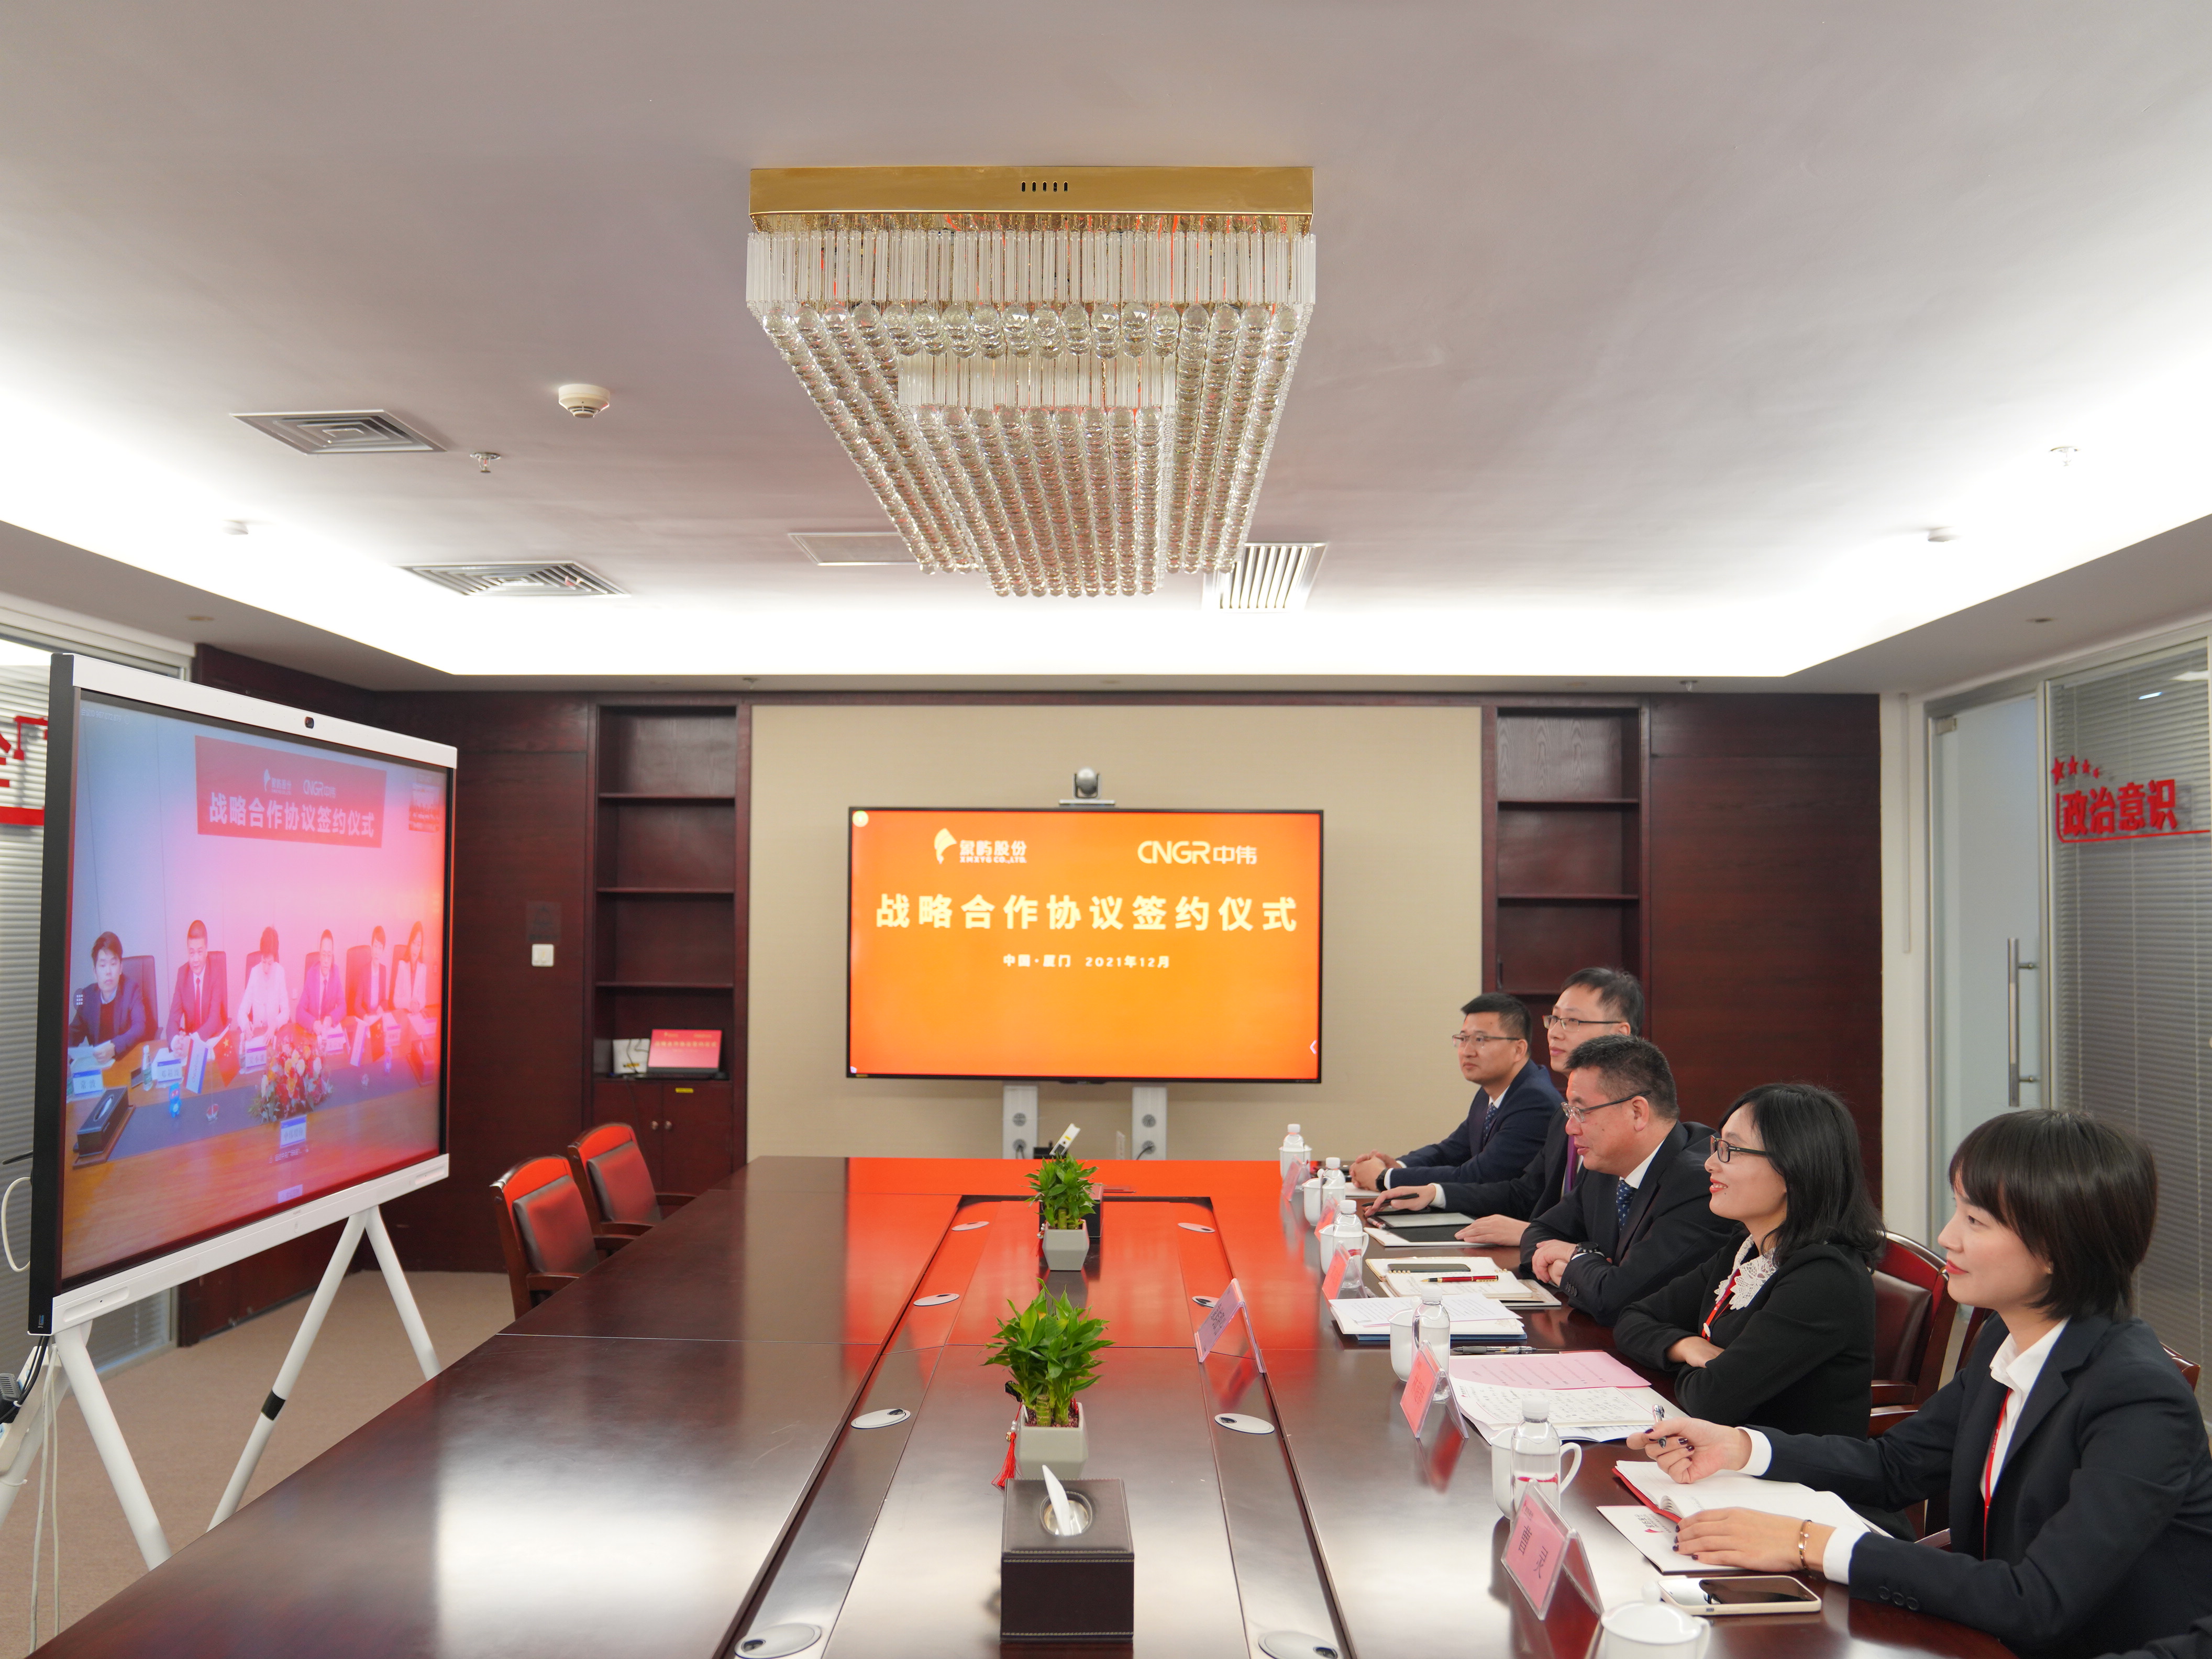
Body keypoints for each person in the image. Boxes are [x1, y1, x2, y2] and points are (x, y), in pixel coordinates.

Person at [1632, 1112, 2212, 1659]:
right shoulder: (2006, 1338)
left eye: (1976, 1221)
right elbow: (1897, 1466)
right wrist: (1741, 1447)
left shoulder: (2138, 1398)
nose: (1947, 1237)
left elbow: (2038, 1600)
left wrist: (1809, 1543)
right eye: (1958, 1211)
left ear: (2059, 1248)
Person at [1612, 1083, 1883, 1435]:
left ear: (1792, 1169)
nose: (1710, 1163)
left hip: (1787, 1468)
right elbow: (1633, 1319)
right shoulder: (1747, 1249)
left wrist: (1702, 1368)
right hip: (1725, 1451)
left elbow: (1709, 1400)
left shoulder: (1824, 1279)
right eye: (1717, 1146)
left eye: (1731, 1150)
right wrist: (1688, 1346)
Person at [1369, 966, 1642, 1245]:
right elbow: (1524, 1192)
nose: (1554, 1033)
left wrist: (1530, 1234)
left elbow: (1610, 1239)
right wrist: (1435, 1193)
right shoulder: (1565, 1117)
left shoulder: (1627, 1123)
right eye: (1554, 1019)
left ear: (1619, 1033)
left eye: (1572, 1021)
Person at [1512, 1034, 1735, 1325]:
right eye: (1569, 1111)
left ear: (1637, 1112)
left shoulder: (1699, 1183)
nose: (1570, 1128)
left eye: (1581, 1111)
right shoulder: (1604, 1166)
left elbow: (1616, 1300)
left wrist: (1575, 1256)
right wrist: (1575, 1269)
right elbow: (1540, 1231)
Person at [1348, 993, 1561, 1196]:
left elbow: (1479, 1175)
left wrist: (1385, 1178)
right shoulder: (1489, 1092)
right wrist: (1398, 1166)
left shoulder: (1535, 1101)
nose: (1467, 1051)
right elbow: (1449, 1152)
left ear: (1518, 1050)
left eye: (1480, 1039)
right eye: (1463, 1039)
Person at [68, 931, 150, 1065]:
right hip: (98, 1067)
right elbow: (73, 1034)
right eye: (102, 965)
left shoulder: (131, 989)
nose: (108, 972)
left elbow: (139, 1027)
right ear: (95, 972)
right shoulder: (88, 996)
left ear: (121, 968)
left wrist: (114, 1046)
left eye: (113, 964)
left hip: (125, 1062)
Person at [164, 919, 229, 1047]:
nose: (196, 959)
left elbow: (214, 1019)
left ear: (206, 951)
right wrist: (176, 1043)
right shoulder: (182, 975)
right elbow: (173, 1019)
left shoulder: (216, 972)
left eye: (200, 952)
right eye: (192, 953)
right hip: (191, 1044)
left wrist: (192, 1042)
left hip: (213, 1041)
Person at [236, 926, 291, 1039]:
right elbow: (242, 1011)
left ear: (275, 959)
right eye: (263, 962)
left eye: (270, 963)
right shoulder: (255, 972)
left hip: (273, 1034)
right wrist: (246, 1026)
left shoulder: (280, 972)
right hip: (257, 1035)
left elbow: (286, 1011)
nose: (266, 968)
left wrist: (275, 1024)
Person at [294, 930, 344, 1036]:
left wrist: (332, 1018)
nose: (326, 961)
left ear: (332, 955)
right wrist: (312, 1023)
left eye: (329, 955)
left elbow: (343, 1006)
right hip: (314, 1034)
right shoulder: (311, 975)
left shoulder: (335, 973)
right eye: (324, 955)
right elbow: (299, 1012)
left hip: (328, 1031)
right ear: (320, 955)